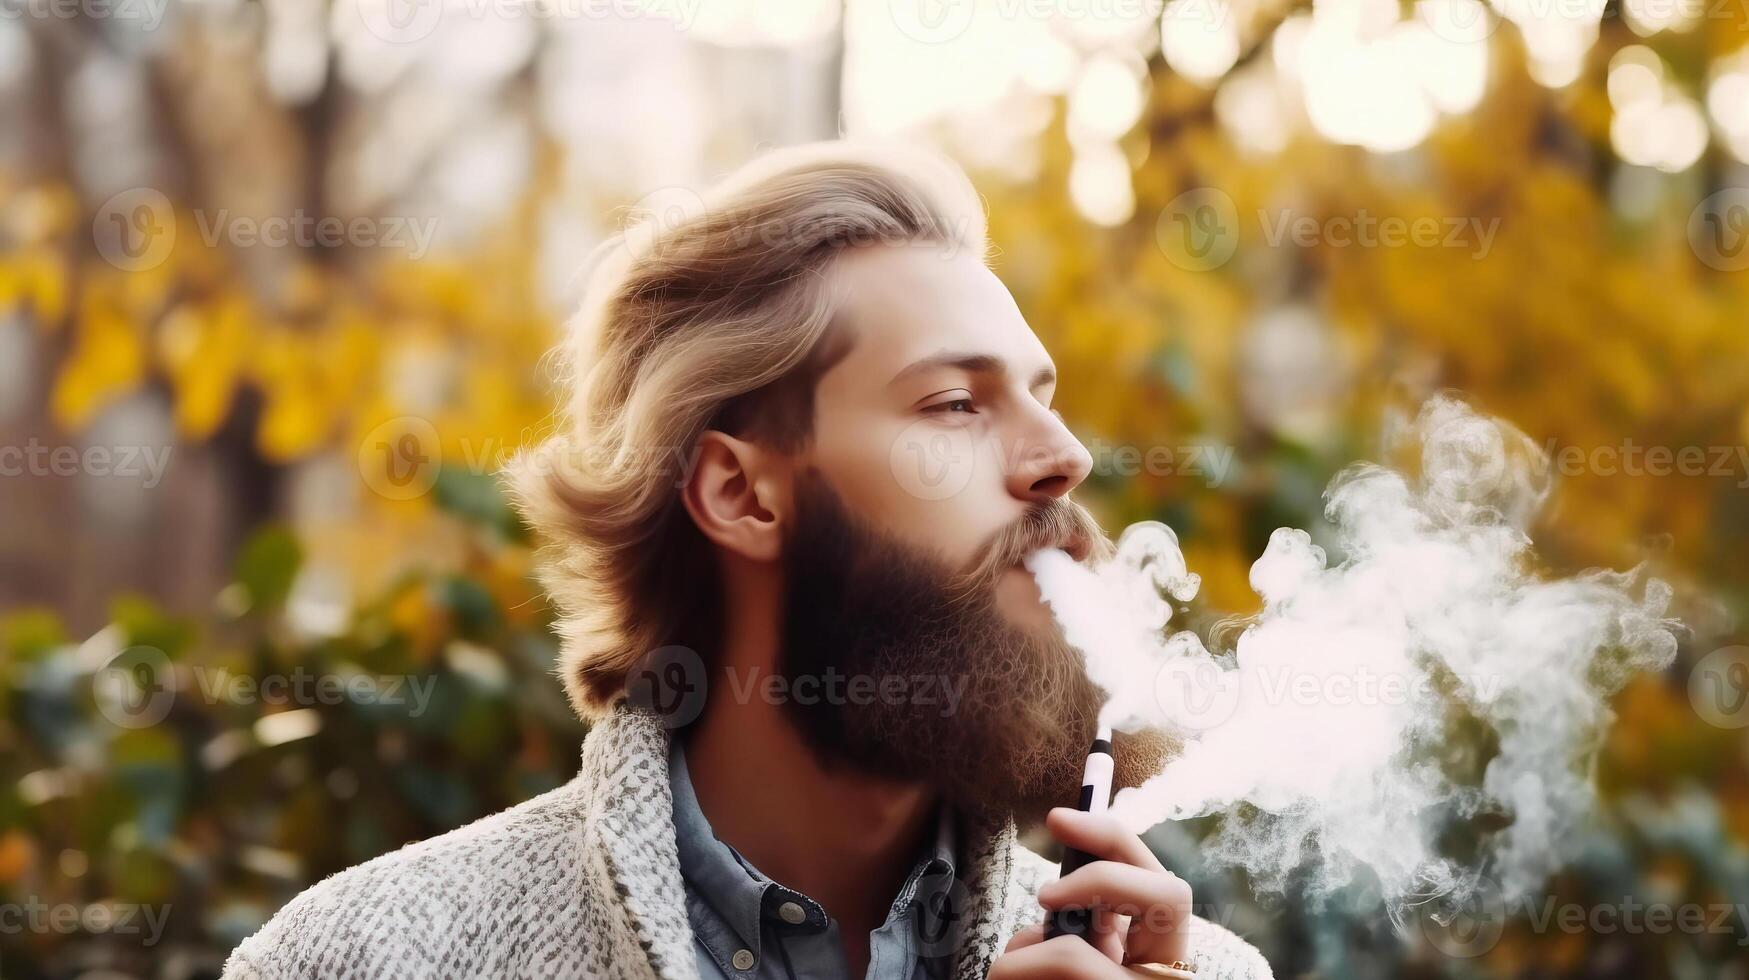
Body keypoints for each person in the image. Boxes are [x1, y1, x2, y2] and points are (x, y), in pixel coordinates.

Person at [223, 141, 1273, 980]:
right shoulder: (365, 957)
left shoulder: (1195, 975)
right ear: (739, 492)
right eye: (956, 403)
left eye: (1044, 395)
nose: (1064, 457)